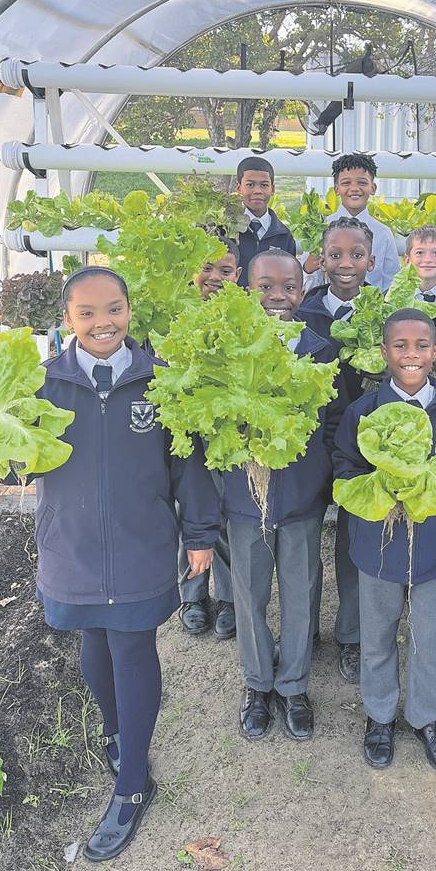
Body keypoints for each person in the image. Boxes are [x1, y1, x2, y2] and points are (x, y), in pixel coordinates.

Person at [30, 267, 220, 862]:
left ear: (129, 311)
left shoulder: (160, 382)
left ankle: (133, 781)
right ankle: (117, 732)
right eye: (86, 313)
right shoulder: (41, 387)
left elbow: (189, 465)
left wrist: (200, 534)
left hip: (141, 546)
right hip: (73, 544)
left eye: (113, 309)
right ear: (67, 319)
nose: (102, 323)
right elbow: (18, 459)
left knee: (133, 648)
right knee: (93, 639)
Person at [332, 308, 436, 774]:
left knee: (429, 638)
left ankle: (428, 718)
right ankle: (379, 716)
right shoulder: (364, 412)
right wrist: (379, 489)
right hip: (378, 548)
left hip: (435, 550)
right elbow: (344, 468)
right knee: (377, 636)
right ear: (384, 352)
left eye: (422, 346)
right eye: (401, 346)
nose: (412, 355)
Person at [223, 249, 343, 742]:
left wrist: (320, 477)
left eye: (289, 287)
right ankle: (257, 682)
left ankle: (294, 684)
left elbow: (334, 421)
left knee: (301, 591)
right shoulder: (225, 346)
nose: (278, 296)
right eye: (265, 287)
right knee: (248, 593)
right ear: (245, 290)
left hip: (299, 498)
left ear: (303, 289)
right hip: (244, 497)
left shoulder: (321, 350)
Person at [296, 216, 376, 683]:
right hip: (310, 446)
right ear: (321, 260)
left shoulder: (385, 312)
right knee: (305, 547)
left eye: (356, 255)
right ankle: (304, 630)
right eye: (335, 255)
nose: (346, 264)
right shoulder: (303, 313)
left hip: (362, 448)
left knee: (354, 543)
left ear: (371, 261)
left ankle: (351, 634)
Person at [178, 237, 239, 639]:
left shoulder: (244, 316)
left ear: (238, 275)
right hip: (184, 430)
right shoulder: (175, 312)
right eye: (207, 268)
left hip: (225, 431)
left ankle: (230, 597)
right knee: (189, 511)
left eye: (225, 270)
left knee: (227, 513)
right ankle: (192, 595)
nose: (215, 277)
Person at [302, 153, 400, 292]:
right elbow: (307, 280)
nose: (354, 188)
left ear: (373, 188)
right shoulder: (320, 229)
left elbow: (391, 281)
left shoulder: (383, 233)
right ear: (336, 189)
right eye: (346, 183)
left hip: (371, 304)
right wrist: (308, 268)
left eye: (362, 183)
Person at [234, 156, 297, 285]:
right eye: (250, 185)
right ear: (239, 188)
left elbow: (289, 278)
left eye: (264, 185)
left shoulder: (284, 236)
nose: (257, 191)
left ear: (272, 189)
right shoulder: (225, 229)